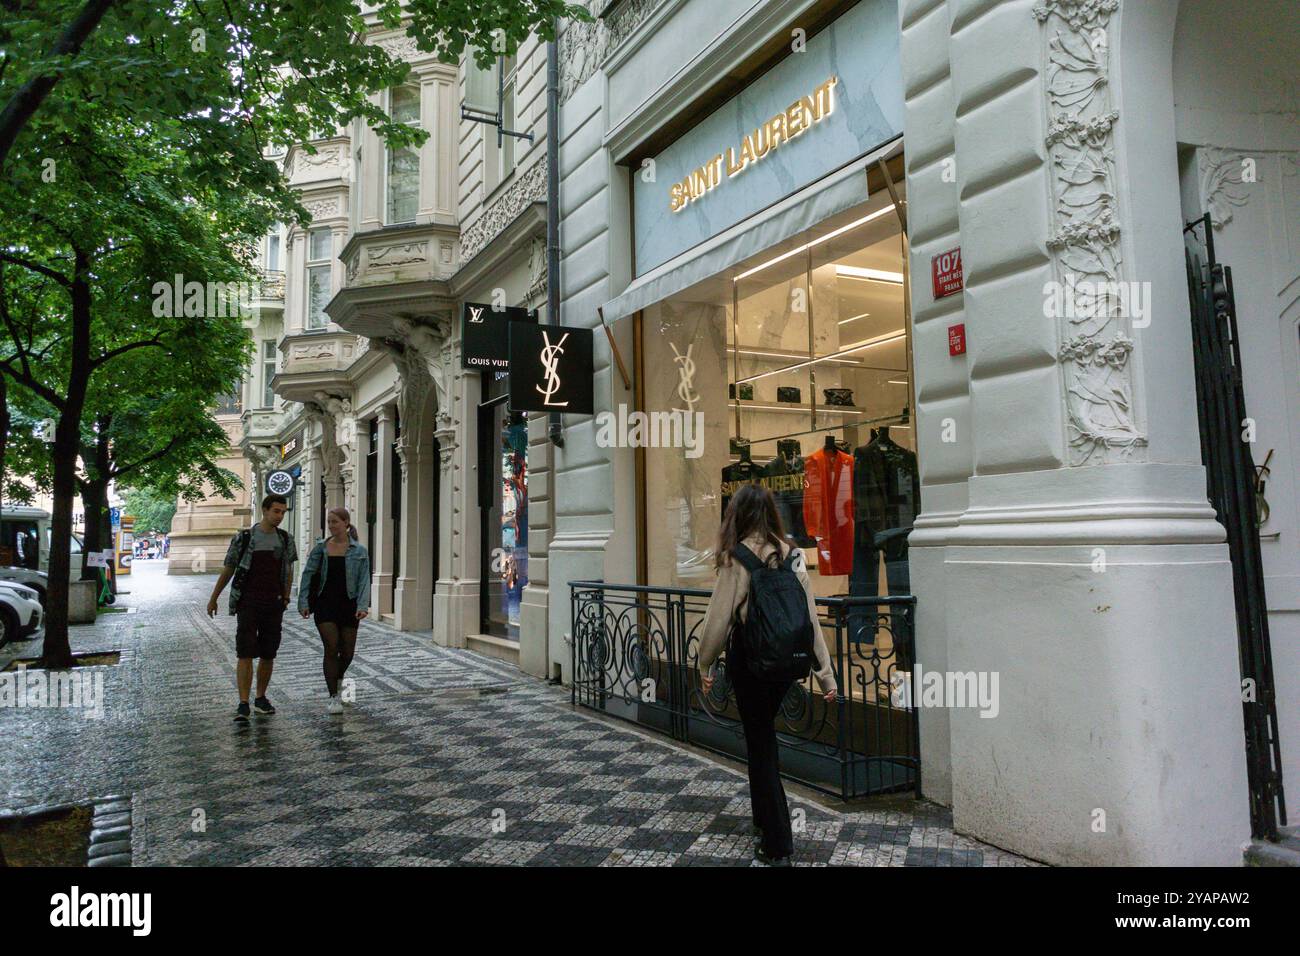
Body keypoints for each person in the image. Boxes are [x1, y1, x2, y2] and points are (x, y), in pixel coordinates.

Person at [697, 483, 837, 866]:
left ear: (737, 516)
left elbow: (718, 620)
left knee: (761, 749)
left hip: (750, 663)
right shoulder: (792, 554)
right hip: (786, 664)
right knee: (763, 743)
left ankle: (777, 843)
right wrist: (827, 675)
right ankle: (766, 826)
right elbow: (809, 618)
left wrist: (703, 663)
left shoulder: (736, 557)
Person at [207, 494, 298, 723]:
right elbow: (229, 568)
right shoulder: (245, 538)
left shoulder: (286, 539)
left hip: (274, 603)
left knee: (269, 652)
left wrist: (286, 597)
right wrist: (214, 597)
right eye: (276, 511)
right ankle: (243, 702)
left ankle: (261, 698)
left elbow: (288, 570)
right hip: (248, 603)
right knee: (245, 651)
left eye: (283, 512)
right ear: (265, 511)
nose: (279, 516)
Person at [298, 506, 371, 715]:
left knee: (347, 652)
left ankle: (338, 680)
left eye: (335, 522)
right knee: (331, 647)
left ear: (346, 523)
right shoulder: (320, 548)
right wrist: (304, 602)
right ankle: (333, 696)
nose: (331, 526)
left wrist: (362, 606)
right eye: (329, 522)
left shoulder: (359, 551)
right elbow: (308, 575)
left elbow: (364, 580)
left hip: (348, 604)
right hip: (325, 604)